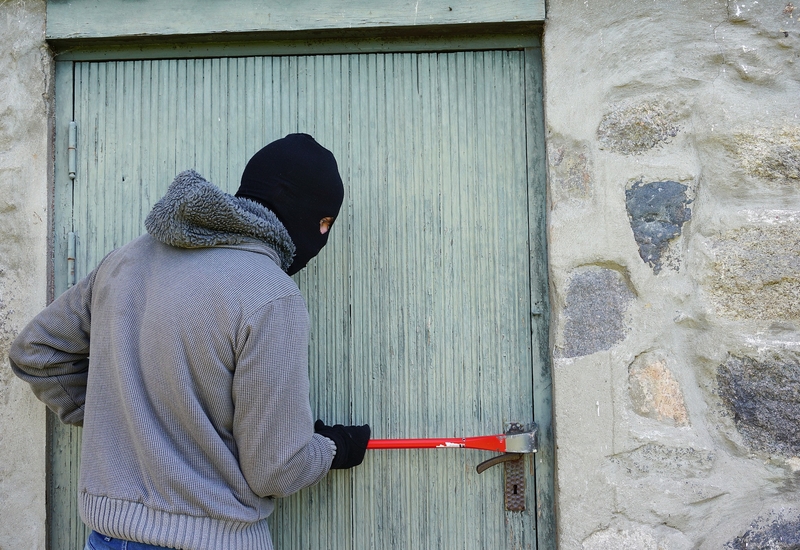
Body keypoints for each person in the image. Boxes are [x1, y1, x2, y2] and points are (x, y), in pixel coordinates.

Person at [8, 133, 370, 550]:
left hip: (107, 538)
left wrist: (126, 416)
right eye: (323, 222)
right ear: (294, 206)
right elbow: (276, 470)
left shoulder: (126, 260)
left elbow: (36, 352)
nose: (321, 236)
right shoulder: (271, 294)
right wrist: (334, 448)